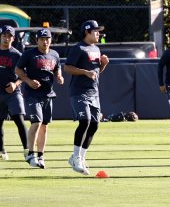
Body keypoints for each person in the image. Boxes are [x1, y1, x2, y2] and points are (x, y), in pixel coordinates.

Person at [64, 20, 109, 175]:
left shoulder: (96, 48)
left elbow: (95, 73)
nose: (98, 34)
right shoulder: (79, 48)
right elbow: (67, 67)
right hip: (79, 92)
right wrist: (84, 72)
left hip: (93, 93)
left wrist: (103, 65)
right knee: (85, 121)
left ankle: (81, 158)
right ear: (87, 32)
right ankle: (76, 157)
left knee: (95, 125)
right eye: (96, 31)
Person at [15, 29, 63, 168]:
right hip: (32, 94)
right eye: (42, 39)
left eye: (47, 38)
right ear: (37, 40)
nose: (45, 41)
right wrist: (28, 81)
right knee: (36, 122)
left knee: (44, 126)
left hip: (48, 94)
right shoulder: (29, 54)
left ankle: (41, 156)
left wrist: (59, 76)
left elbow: (57, 68)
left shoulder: (54, 54)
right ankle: (30, 154)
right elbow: (18, 70)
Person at [0, 25, 27, 162]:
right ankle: (2, 151)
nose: (6, 38)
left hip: (13, 92)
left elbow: (24, 75)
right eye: (4, 35)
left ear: (13, 38)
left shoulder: (17, 55)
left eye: (9, 36)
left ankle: (28, 151)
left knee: (19, 120)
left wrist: (15, 84)